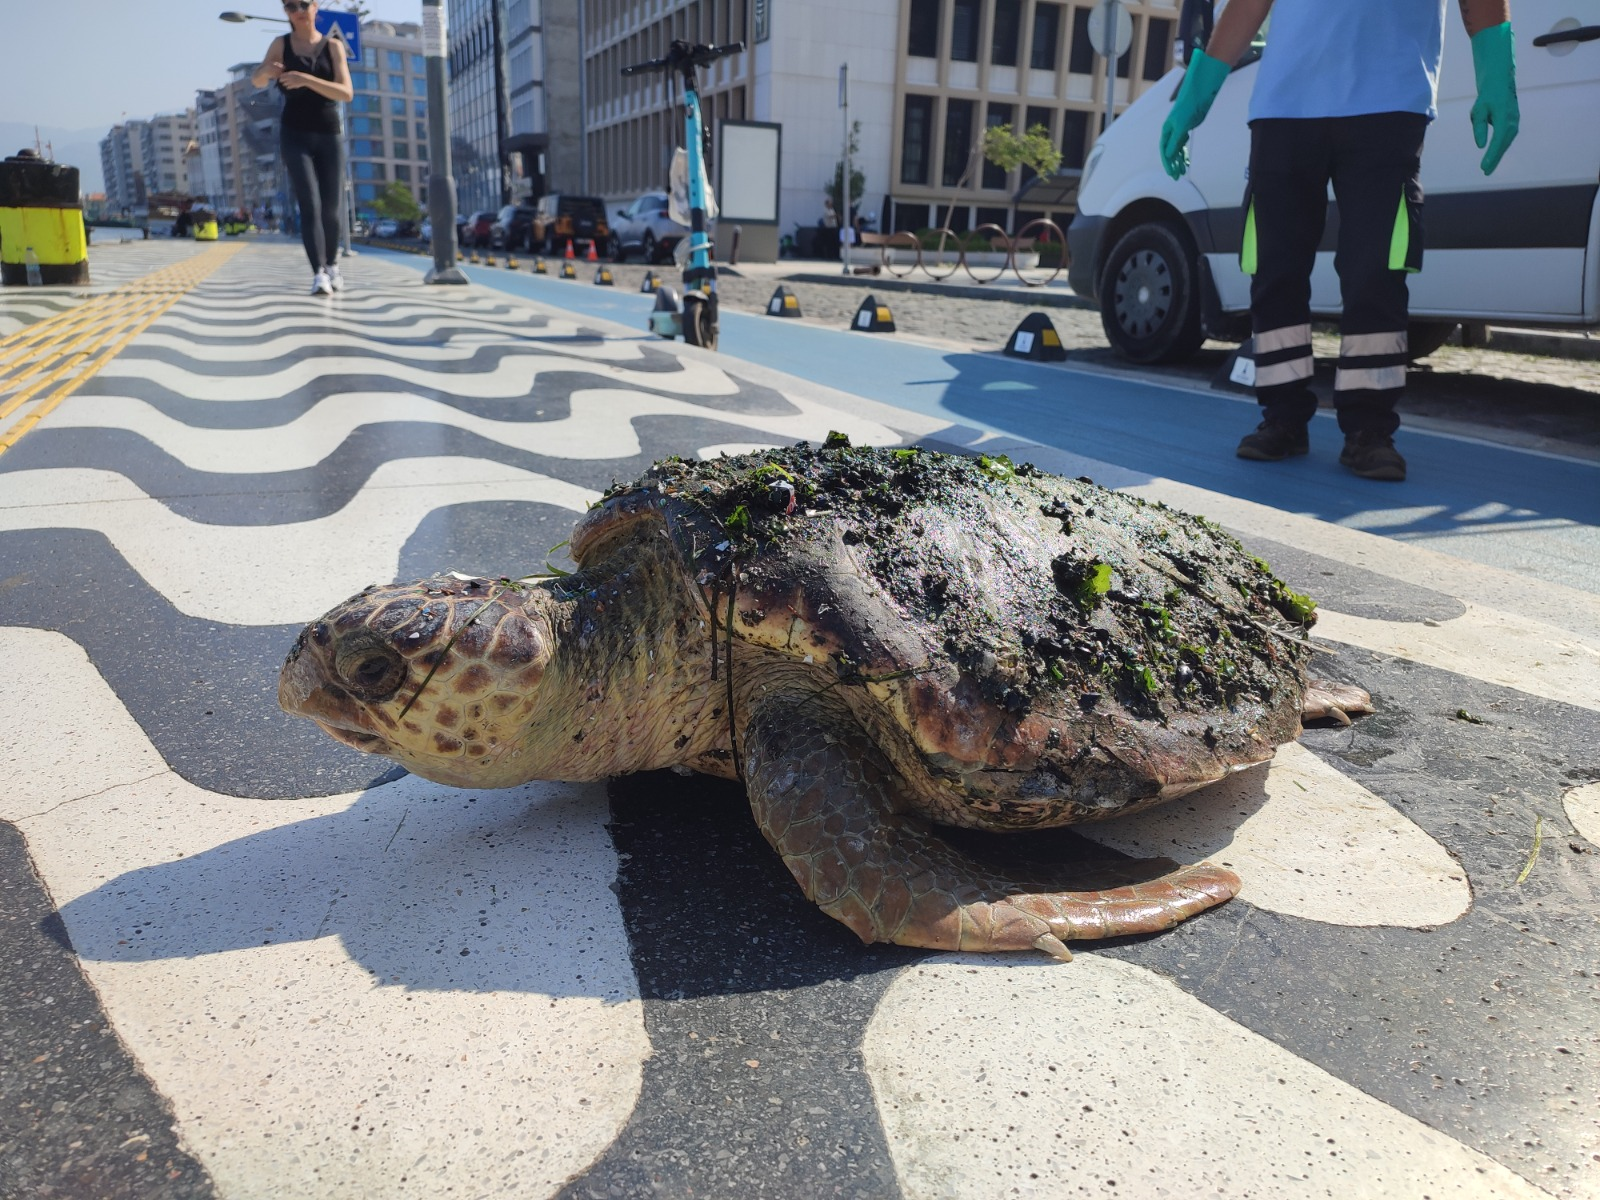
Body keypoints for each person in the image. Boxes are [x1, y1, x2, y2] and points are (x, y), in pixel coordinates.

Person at [1160, 0, 1519, 481]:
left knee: (1376, 271)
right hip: (1285, 103)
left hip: (1390, 100)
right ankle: (1281, 416)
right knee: (1274, 267)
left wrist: (1496, 71)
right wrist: (1197, 92)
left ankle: (1370, 430)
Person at [252, 0, 353, 295]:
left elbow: (346, 93)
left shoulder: (332, 47)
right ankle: (319, 272)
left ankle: (333, 264)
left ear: (315, 6)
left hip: (328, 133)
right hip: (294, 133)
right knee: (309, 205)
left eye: (303, 3)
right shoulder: (280, 44)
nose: (297, 9)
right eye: (290, 5)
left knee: (331, 209)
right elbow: (257, 80)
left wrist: (305, 79)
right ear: (285, 11)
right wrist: (265, 71)